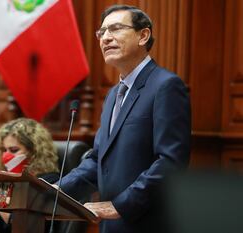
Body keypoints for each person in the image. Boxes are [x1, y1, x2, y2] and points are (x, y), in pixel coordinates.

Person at [58, 4, 191, 233]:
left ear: (143, 35)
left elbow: (171, 162)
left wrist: (119, 206)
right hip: (112, 226)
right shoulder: (112, 95)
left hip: (148, 225)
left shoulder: (165, 86)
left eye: (116, 29)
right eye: (102, 33)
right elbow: (98, 159)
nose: (106, 38)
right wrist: (54, 190)